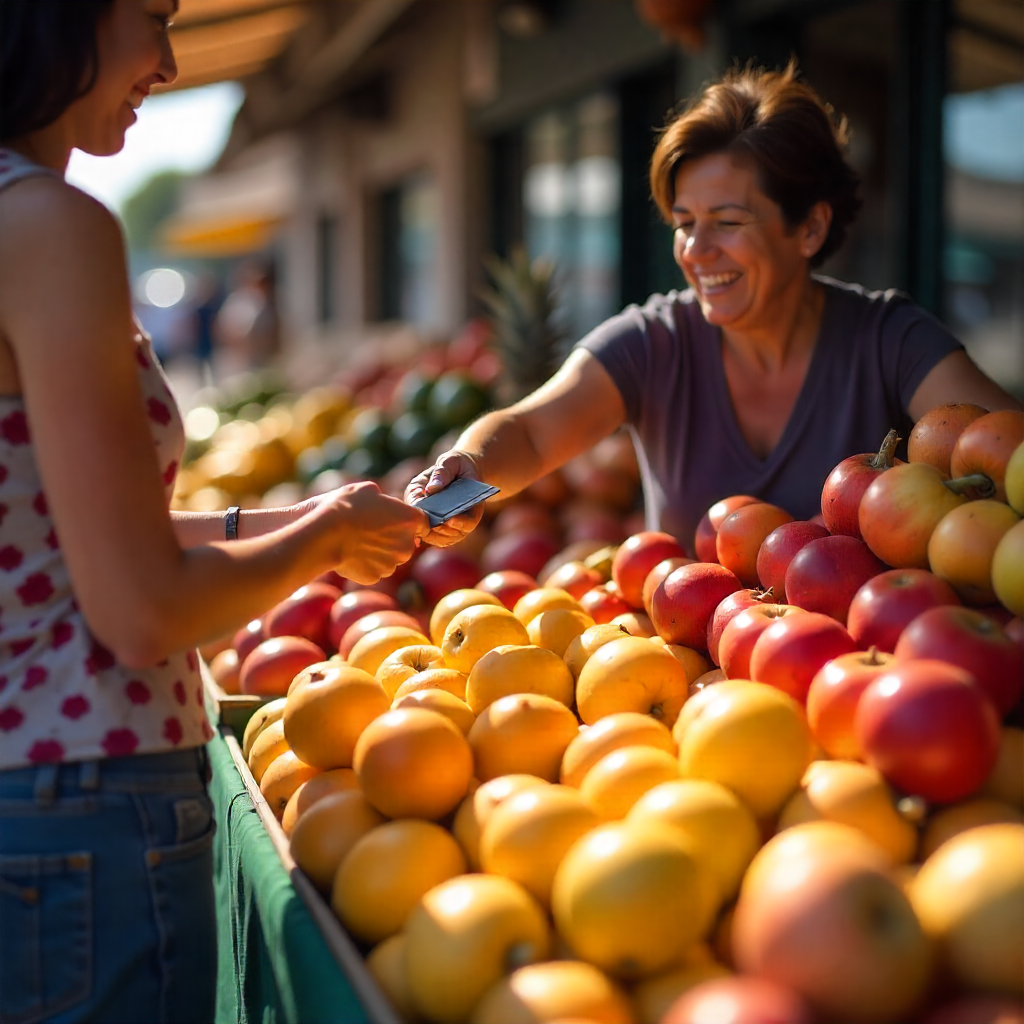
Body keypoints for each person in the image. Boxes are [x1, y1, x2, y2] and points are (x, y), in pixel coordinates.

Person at [0, 3, 428, 1022]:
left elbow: (46, 538)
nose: (172, 57)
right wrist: (324, 540)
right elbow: (141, 610)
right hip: (88, 802)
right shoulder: (49, 227)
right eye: (152, 12)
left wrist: (289, 519)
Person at [407, 62, 1022, 549]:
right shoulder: (652, 344)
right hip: (684, 685)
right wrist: (468, 467)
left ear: (809, 228)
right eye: (684, 223)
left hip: (850, 673)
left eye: (727, 222)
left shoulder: (890, 340)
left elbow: (1009, 455)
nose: (697, 251)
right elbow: (532, 432)